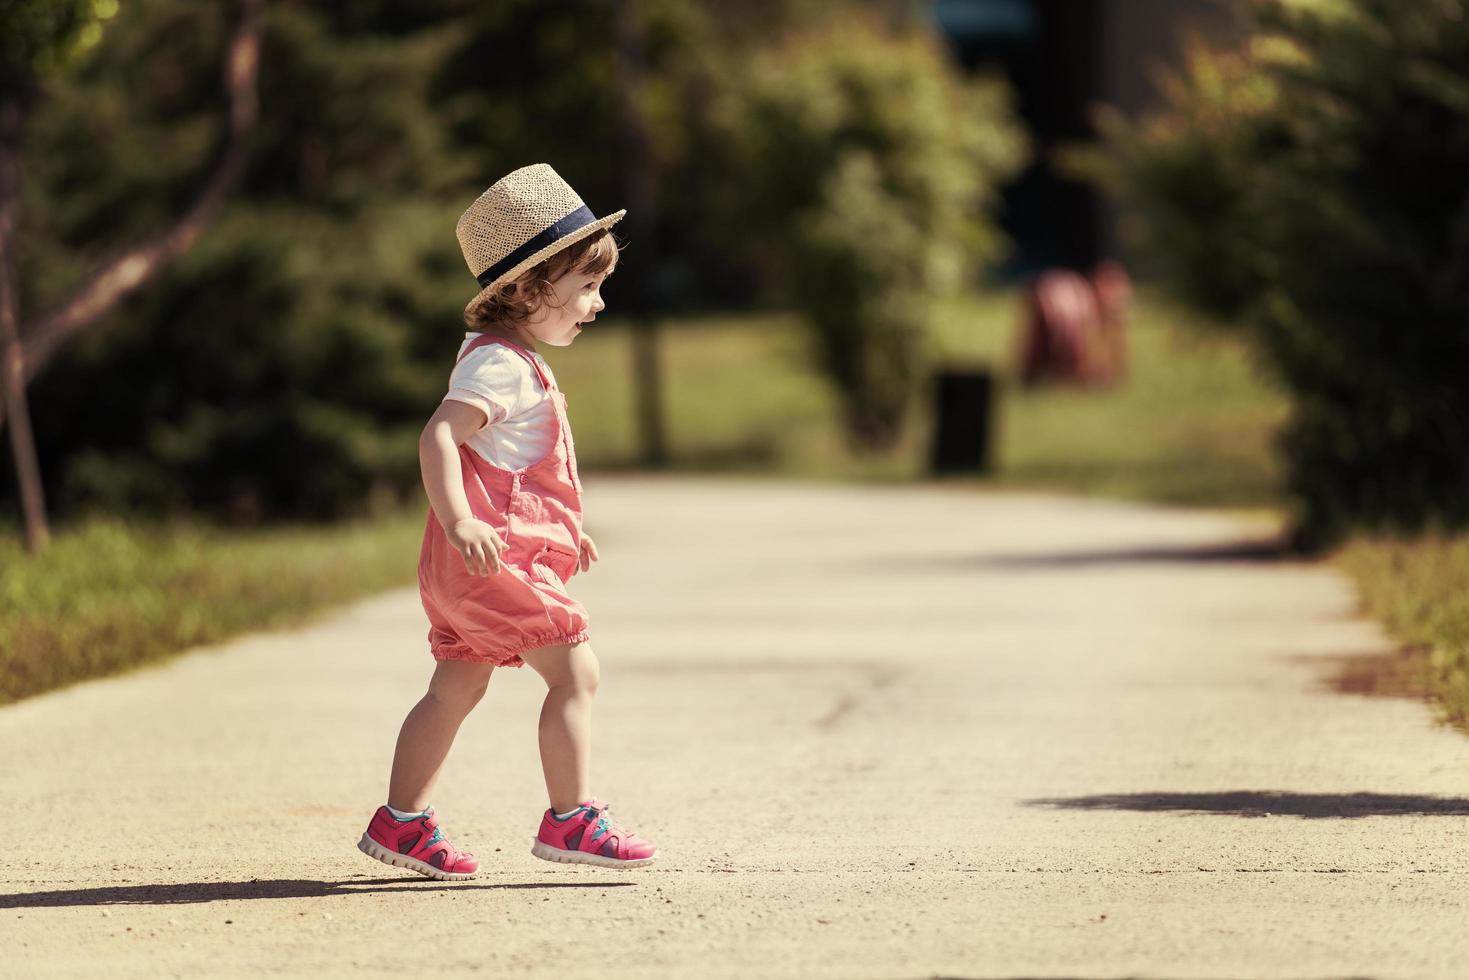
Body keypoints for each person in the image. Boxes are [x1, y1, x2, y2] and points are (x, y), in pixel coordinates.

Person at [356, 163, 658, 880]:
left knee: (456, 685)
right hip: (487, 561)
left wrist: (562, 526)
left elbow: (515, 467)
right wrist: (459, 519)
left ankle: (400, 822)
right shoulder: (501, 367)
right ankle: (571, 818)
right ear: (525, 290)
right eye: (585, 286)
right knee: (574, 671)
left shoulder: (503, 357)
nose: (597, 303)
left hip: (471, 567)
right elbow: (439, 436)